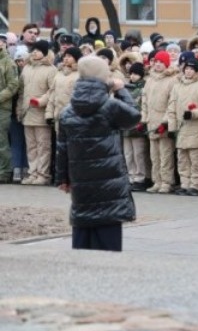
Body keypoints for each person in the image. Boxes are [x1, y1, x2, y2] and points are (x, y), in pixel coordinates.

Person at [55, 55, 141, 252]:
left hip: (81, 178)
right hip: (108, 177)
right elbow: (133, 117)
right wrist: (121, 91)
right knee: (108, 224)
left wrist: (62, 178)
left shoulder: (67, 112)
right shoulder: (109, 106)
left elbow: (62, 148)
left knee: (83, 221)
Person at [166, 52, 198, 196]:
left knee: (196, 158)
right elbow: (171, 107)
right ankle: (185, 184)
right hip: (181, 128)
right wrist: (171, 126)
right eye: (186, 68)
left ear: (197, 71)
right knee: (182, 158)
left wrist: (193, 113)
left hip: (196, 128)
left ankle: (196, 185)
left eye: (192, 69)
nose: (188, 71)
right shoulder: (177, 86)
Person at [17, 40, 57, 185]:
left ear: (45, 52)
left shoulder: (51, 69)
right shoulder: (27, 67)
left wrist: (42, 102)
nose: (35, 52)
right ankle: (32, 173)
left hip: (41, 112)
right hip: (27, 112)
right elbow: (21, 91)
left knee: (43, 145)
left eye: (39, 50)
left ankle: (43, 174)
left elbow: (52, 91)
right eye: (33, 50)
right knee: (31, 146)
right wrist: (19, 108)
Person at [142, 51, 178, 194]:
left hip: (163, 124)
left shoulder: (171, 80)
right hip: (151, 122)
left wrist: (166, 122)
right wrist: (143, 119)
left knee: (165, 155)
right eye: (156, 61)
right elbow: (144, 101)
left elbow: (172, 103)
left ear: (166, 64)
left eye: (161, 62)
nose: (157, 64)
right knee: (154, 155)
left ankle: (166, 182)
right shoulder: (150, 79)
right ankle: (157, 181)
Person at [121, 62, 148, 191]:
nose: (133, 76)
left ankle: (140, 177)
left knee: (138, 154)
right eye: (131, 73)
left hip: (137, 126)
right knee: (128, 154)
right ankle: (130, 176)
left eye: (136, 73)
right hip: (126, 125)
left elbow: (144, 107)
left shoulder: (144, 88)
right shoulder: (125, 88)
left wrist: (142, 122)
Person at [0, 34, 19, 182]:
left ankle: (4, 173)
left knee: (2, 142)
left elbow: (13, 86)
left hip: (2, 108)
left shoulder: (9, 63)